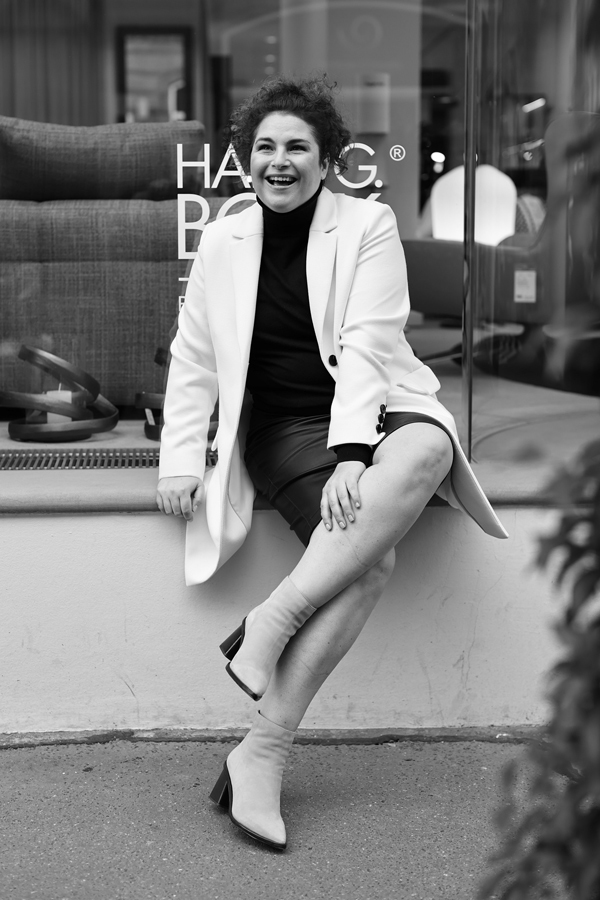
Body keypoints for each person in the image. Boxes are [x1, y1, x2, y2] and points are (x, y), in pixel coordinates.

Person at [156, 76, 508, 852]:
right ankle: (263, 751)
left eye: (297, 147)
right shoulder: (223, 239)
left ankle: (272, 620)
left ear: (326, 159)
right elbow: (195, 358)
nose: (279, 161)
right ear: (247, 158)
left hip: (378, 405)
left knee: (430, 442)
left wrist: (353, 451)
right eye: (265, 147)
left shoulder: (367, 223)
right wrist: (179, 459)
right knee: (370, 564)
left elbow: (372, 344)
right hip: (284, 427)